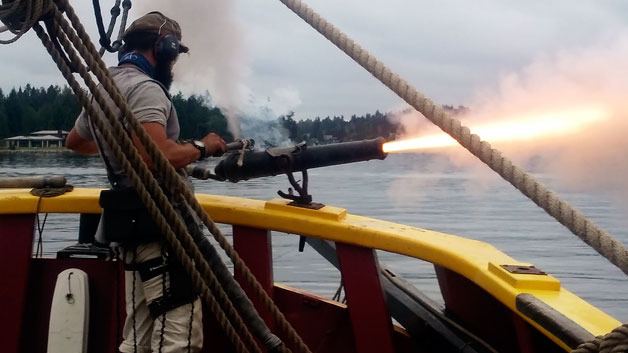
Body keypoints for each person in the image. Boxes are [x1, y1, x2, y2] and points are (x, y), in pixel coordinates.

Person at [65, 11, 226, 353]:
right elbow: (158, 156)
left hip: (128, 225)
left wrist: (123, 149)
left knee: (136, 336)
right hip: (162, 225)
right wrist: (203, 146)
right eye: (173, 55)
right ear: (164, 48)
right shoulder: (147, 89)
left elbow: (75, 142)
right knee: (178, 334)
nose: (174, 65)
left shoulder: (105, 86)